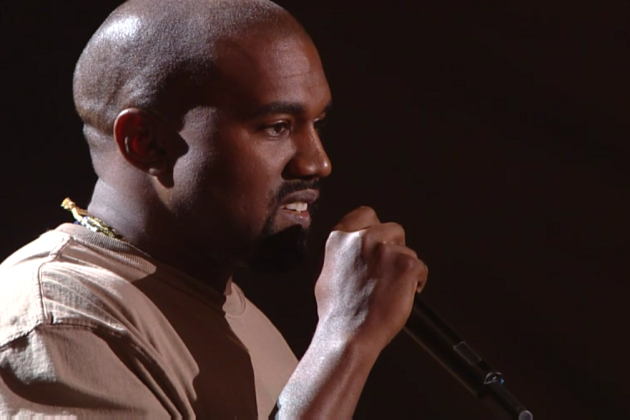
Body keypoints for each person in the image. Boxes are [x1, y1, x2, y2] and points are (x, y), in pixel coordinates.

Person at [0, 0, 428, 417]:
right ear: (145, 143)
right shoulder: (60, 321)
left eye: (316, 124)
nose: (318, 162)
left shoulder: (226, 308)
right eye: (277, 127)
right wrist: (345, 340)